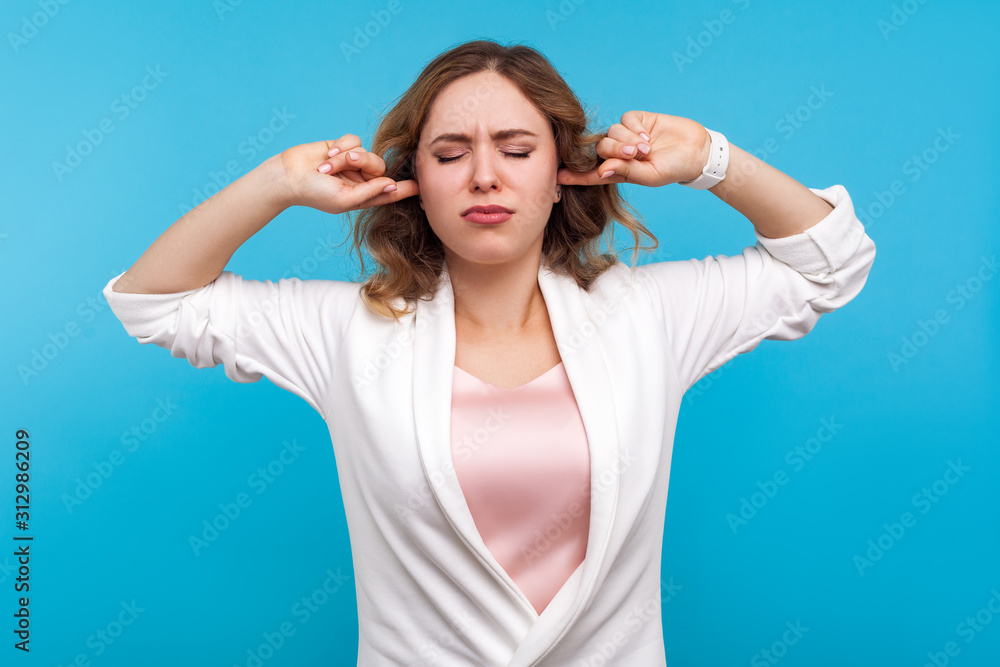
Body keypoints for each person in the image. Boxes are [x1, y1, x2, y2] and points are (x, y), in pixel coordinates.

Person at [103, 39, 875, 666]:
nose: (484, 176)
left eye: (515, 149)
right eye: (449, 153)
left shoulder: (646, 317)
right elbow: (153, 300)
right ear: (412, 183)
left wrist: (710, 157)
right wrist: (277, 181)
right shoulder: (350, 332)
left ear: (562, 173)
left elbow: (832, 265)